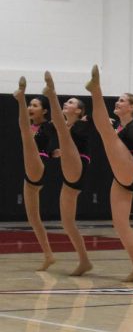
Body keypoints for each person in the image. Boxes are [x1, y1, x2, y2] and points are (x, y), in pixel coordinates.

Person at [85, 65, 133, 282]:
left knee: (107, 133)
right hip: (122, 177)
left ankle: (96, 90)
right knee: (120, 224)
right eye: (117, 99)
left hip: (131, 171)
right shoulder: (122, 127)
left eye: (122, 100)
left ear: (132, 107)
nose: (118, 102)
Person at [44, 72, 93, 276]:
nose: (68, 103)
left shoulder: (82, 124)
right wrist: (60, 153)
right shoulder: (67, 127)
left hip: (79, 167)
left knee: (61, 128)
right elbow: (69, 146)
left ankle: (51, 91)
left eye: (71, 102)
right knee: (67, 221)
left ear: (79, 111)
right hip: (70, 170)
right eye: (66, 101)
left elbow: (78, 146)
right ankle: (84, 261)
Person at [14, 77, 56, 271]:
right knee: (33, 218)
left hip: (39, 165)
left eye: (35, 105)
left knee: (24, 133)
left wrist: (60, 151)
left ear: (45, 111)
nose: (32, 108)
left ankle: (20, 95)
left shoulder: (49, 126)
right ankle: (48, 255)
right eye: (29, 104)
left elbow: (63, 137)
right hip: (30, 174)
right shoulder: (32, 127)